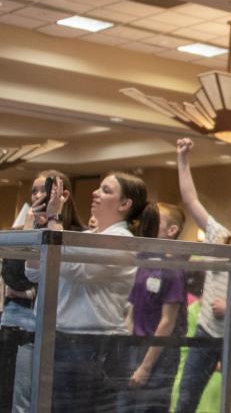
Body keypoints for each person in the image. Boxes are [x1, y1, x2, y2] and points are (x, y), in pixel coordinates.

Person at [27, 171, 158, 411]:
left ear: (125, 204)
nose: (95, 193)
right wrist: (39, 222)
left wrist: (55, 216)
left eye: (106, 190)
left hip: (94, 344)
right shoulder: (87, 236)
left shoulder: (123, 239)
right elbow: (35, 273)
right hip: (62, 339)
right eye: (98, 188)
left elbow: (73, 268)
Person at [173, 137, 231, 413]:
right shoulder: (220, 238)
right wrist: (183, 159)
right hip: (207, 331)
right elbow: (191, 200)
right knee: (186, 398)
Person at [1, 171, 85, 413]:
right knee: (18, 398)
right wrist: (28, 230)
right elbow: (14, 278)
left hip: (62, 326)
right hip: (20, 321)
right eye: (34, 191)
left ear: (63, 194)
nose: (38, 196)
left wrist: (52, 218)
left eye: (43, 190)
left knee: (55, 399)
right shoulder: (24, 228)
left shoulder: (77, 233)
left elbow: (65, 273)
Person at [119, 202, 188, 412]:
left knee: (150, 406)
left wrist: (146, 366)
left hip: (159, 356)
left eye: (154, 221)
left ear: (171, 230)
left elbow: (168, 321)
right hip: (135, 348)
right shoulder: (143, 261)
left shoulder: (173, 269)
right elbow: (132, 306)